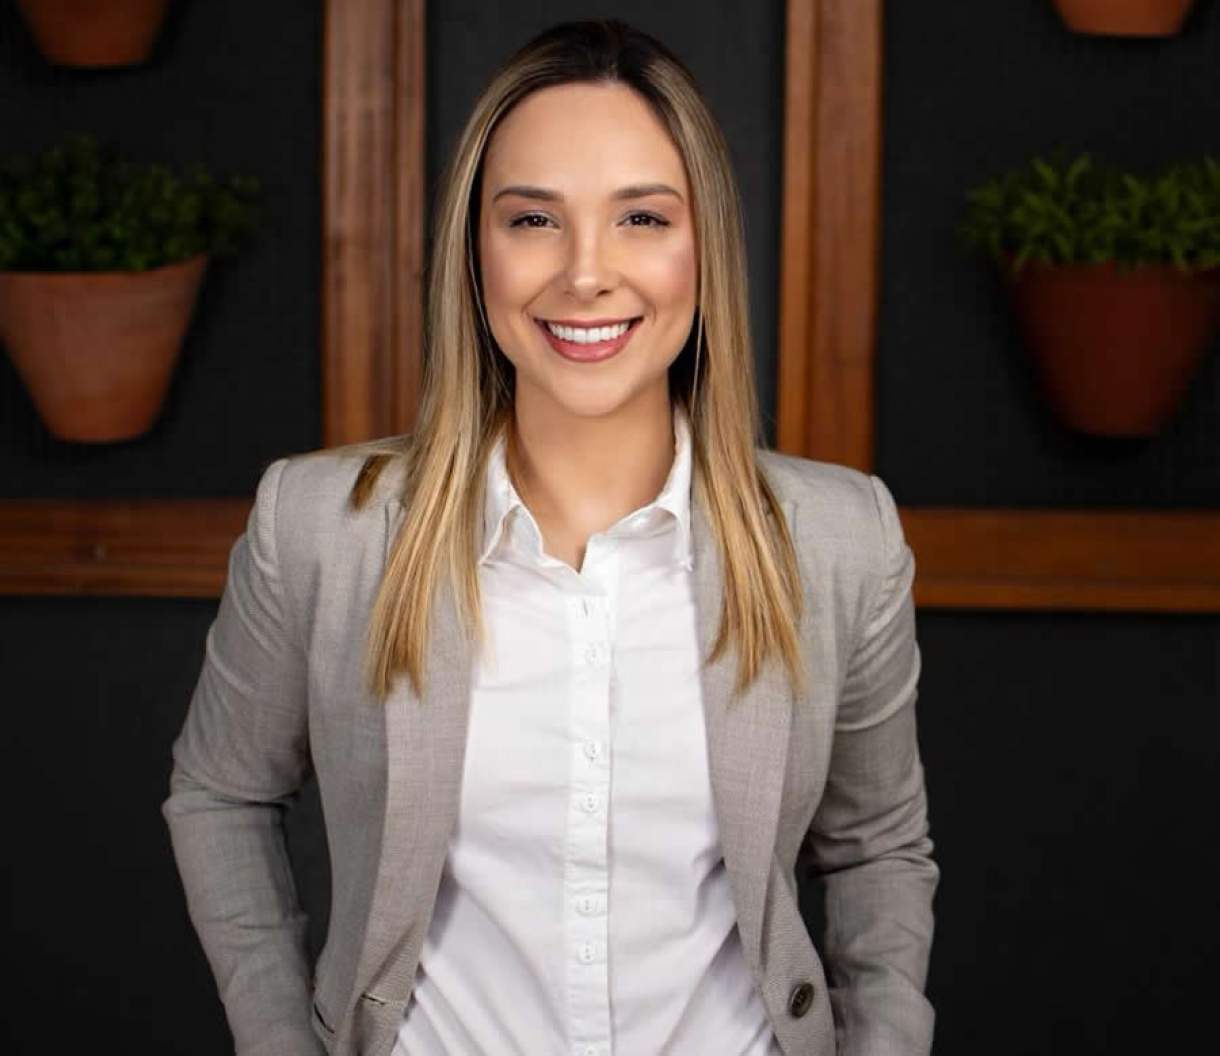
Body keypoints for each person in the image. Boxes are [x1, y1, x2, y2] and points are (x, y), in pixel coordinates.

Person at [162, 18, 937, 1056]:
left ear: (704, 248)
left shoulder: (840, 541)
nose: (585, 273)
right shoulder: (318, 530)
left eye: (641, 218)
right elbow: (219, 793)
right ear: (472, 250)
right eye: (532, 219)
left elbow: (878, 847)